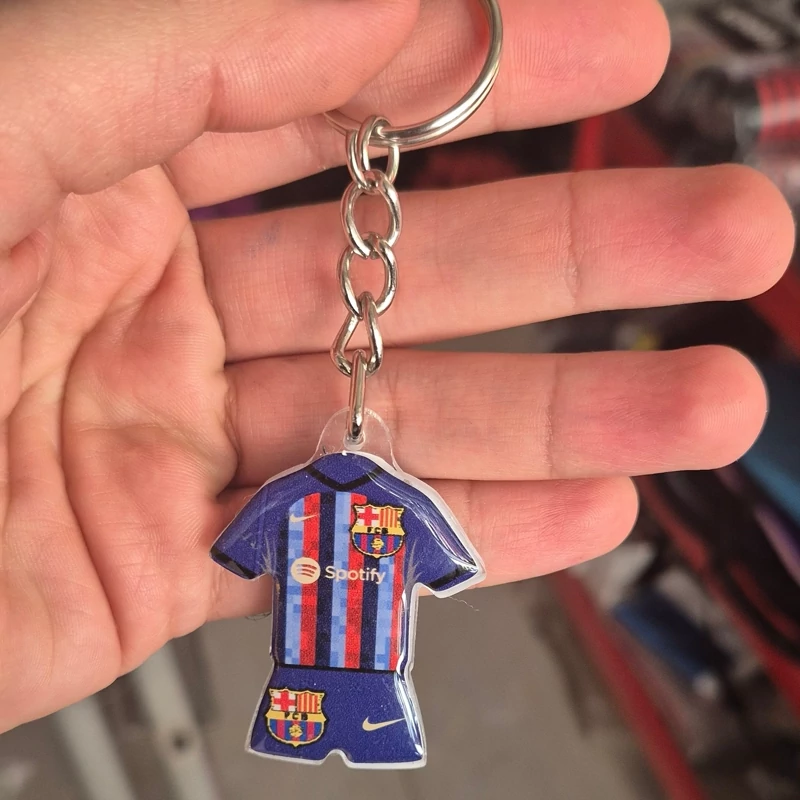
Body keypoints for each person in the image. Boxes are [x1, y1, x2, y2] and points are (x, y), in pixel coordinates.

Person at [0, 0, 793, 735]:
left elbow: (358, 558)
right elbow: (357, 558)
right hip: (326, 666)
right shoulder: (333, 498)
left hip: (349, 667)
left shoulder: (323, 498)